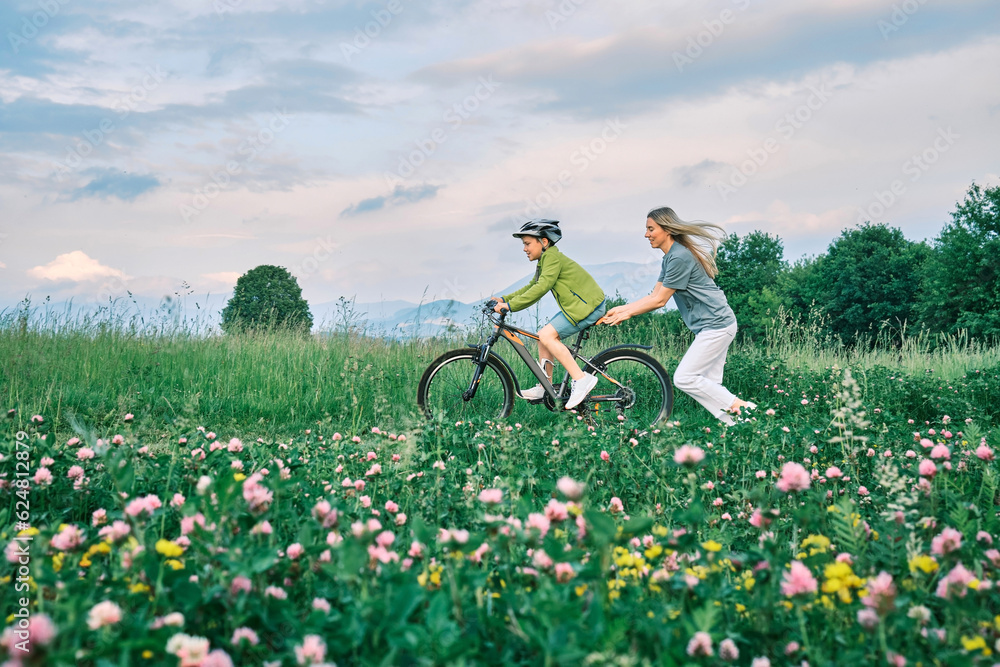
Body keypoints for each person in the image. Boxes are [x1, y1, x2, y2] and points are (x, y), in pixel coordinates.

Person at [599, 207, 755, 425]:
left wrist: (627, 314)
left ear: (667, 229)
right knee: (711, 386)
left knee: (684, 378)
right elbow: (654, 295)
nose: (646, 234)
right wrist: (622, 309)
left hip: (717, 325)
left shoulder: (679, 257)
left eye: (651, 229)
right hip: (712, 325)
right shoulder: (671, 257)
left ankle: (745, 409)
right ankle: (741, 428)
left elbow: (660, 301)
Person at [492, 219, 607, 410]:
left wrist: (510, 306)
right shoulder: (547, 259)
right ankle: (545, 386)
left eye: (527, 244)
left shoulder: (552, 258)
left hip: (588, 306)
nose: (524, 249)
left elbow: (541, 288)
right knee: (541, 337)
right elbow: (532, 285)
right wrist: (504, 298)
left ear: (544, 242)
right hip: (578, 306)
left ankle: (581, 379)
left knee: (547, 335)